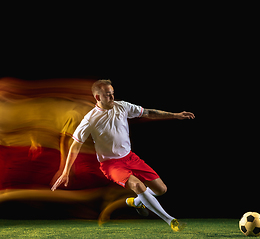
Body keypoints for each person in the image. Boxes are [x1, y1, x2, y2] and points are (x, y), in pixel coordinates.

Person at [51, 79, 195, 232]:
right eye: (108, 95)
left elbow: (148, 113)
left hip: (130, 157)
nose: (112, 97)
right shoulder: (90, 119)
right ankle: (171, 220)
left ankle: (137, 202)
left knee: (161, 189)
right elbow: (75, 144)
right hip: (111, 164)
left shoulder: (122, 106)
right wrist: (66, 170)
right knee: (138, 185)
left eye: (113, 94)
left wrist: (176, 115)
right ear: (98, 98)